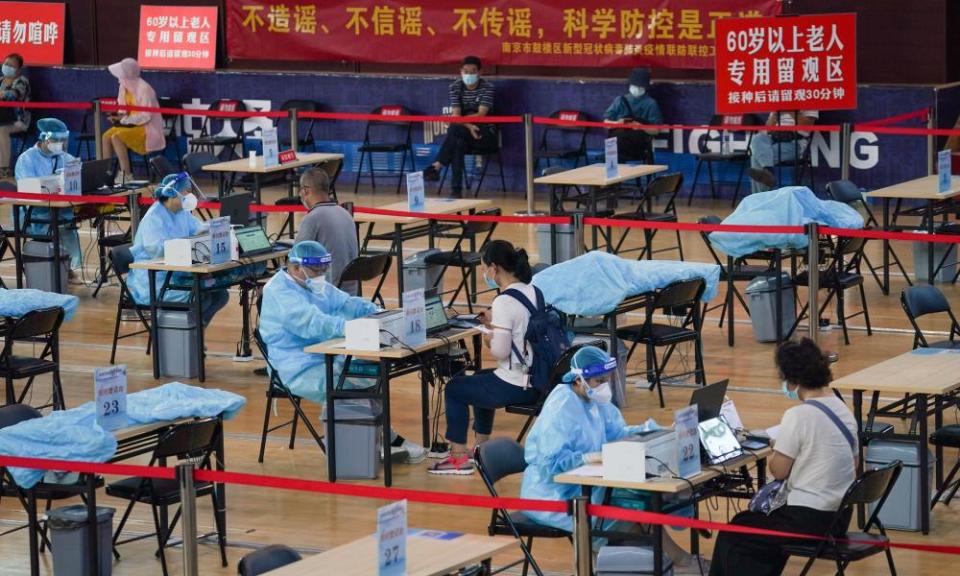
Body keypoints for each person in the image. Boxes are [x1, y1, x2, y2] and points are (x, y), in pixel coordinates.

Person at [520, 345, 708, 573]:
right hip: (552, 494)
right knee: (629, 508)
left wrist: (660, 431)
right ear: (579, 380)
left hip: (586, 483)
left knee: (640, 500)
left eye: (606, 379)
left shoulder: (595, 401)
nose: (604, 386)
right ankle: (672, 562)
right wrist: (590, 458)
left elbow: (619, 432)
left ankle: (672, 561)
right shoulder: (561, 407)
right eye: (599, 380)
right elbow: (552, 466)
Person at [259, 240, 427, 463]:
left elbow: (347, 303)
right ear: (296, 267)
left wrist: (380, 313)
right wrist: (353, 328)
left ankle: (381, 439)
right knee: (347, 386)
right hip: (296, 367)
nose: (320, 275)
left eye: (323, 270)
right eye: (315, 270)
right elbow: (313, 323)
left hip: (325, 356)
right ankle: (382, 442)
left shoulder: (310, 283)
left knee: (369, 379)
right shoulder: (279, 292)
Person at [709, 338, 857, 575]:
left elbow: (778, 471)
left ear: (793, 380)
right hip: (838, 518)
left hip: (807, 520)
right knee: (756, 532)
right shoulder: (843, 409)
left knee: (735, 531)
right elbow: (852, 462)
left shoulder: (798, 415)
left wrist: (778, 451)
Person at [427, 240, 542, 475]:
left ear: (494, 268)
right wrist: (497, 327)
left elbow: (500, 351)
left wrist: (490, 332)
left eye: (483, 268)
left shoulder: (503, 301)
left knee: (455, 388)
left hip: (516, 383)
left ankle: (458, 458)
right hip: (539, 378)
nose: (483, 274)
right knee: (480, 376)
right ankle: (482, 448)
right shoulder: (535, 291)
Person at [126, 172, 229, 326]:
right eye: (187, 191)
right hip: (154, 283)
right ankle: (189, 338)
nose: (190, 195)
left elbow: (198, 228)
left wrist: (216, 227)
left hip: (176, 276)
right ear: (172, 193)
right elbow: (157, 251)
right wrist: (183, 245)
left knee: (220, 295)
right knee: (200, 296)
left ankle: (195, 335)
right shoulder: (153, 219)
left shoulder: (181, 213)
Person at [14, 117, 83, 281]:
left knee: (68, 227)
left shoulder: (65, 157)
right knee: (56, 226)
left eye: (62, 140)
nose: (60, 144)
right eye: (55, 140)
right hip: (34, 212)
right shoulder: (26, 159)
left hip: (60, 209)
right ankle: (55, 270)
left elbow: (76, 176)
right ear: (44, 138)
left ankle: (68, 267)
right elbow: (27, 188)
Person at [422, 55, 496, 198]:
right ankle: (456, 191)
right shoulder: (455, 87)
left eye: (473, 71)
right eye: (466, 71)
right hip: (467, 132)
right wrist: (468, 126)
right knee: (458, 143)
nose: (469, 75)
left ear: (480, 73)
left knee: (455, 129)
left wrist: (464, 123)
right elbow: (456, 115)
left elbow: (481, 115)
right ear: (461, 72)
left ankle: (437, 165)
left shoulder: (487, 88)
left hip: (484, 133)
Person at [295, 167, 358, 295]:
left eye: (300, 190)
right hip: (350, 294)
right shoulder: (345, 214)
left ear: (306, 190)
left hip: (328, 295)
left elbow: (296, 260)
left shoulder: (313, 218)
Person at [102, 58, 165, 184]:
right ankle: (105, 172)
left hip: (147, 127)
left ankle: (126, 174)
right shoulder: (123, 87)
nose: (119, 77)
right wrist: (118, 117)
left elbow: (146, 116)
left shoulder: (144, 88)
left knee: (116, 137)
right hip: (129, 124)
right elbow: (123, 108)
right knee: (105, 136)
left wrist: (125, 120)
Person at [747, 110, 819, 194]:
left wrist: (791, 109)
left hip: (794, 143)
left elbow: (807, 126)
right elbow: (768, 128)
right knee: (758, 138)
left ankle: (760, 199)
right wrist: (775, 115)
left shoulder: (810, 100)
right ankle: (768, 171)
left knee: (756, 157)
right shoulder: (780, 100)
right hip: (773, 139)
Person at [603, 68, 662, 162]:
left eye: (640, 86)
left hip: (637, 143)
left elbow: (656, 131)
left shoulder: (651, 104)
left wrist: (641, 127)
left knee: (619, 143)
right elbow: (606, 123)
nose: (637, 88)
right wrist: (618, 123)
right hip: (617, 139)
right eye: (635, 85)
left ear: (645, 87)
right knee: (616, 138)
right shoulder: (620, 100)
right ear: (630, 85)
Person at [0, 53, 30, 178]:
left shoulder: (22, 81)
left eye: (11, 65)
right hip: (2, 118)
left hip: (19, 121)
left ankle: (4, 170)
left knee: (2, 131)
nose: (7, 67)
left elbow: (14, 94)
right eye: (6, 64)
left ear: (18, 69)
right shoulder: (1, 80)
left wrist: (2, 94)